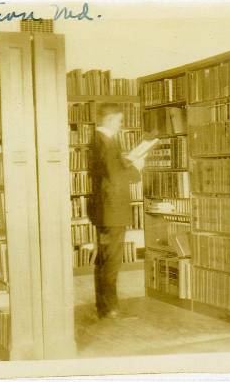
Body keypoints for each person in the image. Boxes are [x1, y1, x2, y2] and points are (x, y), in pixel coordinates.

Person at [88, 103, 143, 319]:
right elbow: (115, 175)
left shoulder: (97, 140)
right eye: (119, 121)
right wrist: (137, 167)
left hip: (102, 210)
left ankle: (103, 305)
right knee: (111, 260)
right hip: (112, 210)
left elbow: (111, 169)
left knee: (103, 258)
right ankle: (110, 308)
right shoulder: (107, 142)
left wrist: (126, 163)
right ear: (110, 119)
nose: (121, 125)